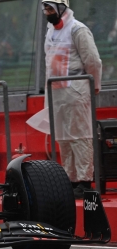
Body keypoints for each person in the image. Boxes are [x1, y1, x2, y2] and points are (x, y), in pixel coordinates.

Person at [41, 0, 102, 198]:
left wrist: (94, 85)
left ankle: (84, 180)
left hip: (76, 90)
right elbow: (48, 63)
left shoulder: (78, 30)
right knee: (64, 138)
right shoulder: (50, 32)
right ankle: (71, 179)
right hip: (57, 93)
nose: (47, 12)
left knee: (80, 136)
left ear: (61, 8)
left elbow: (92, 60)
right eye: (45, 9)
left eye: (50, 8)